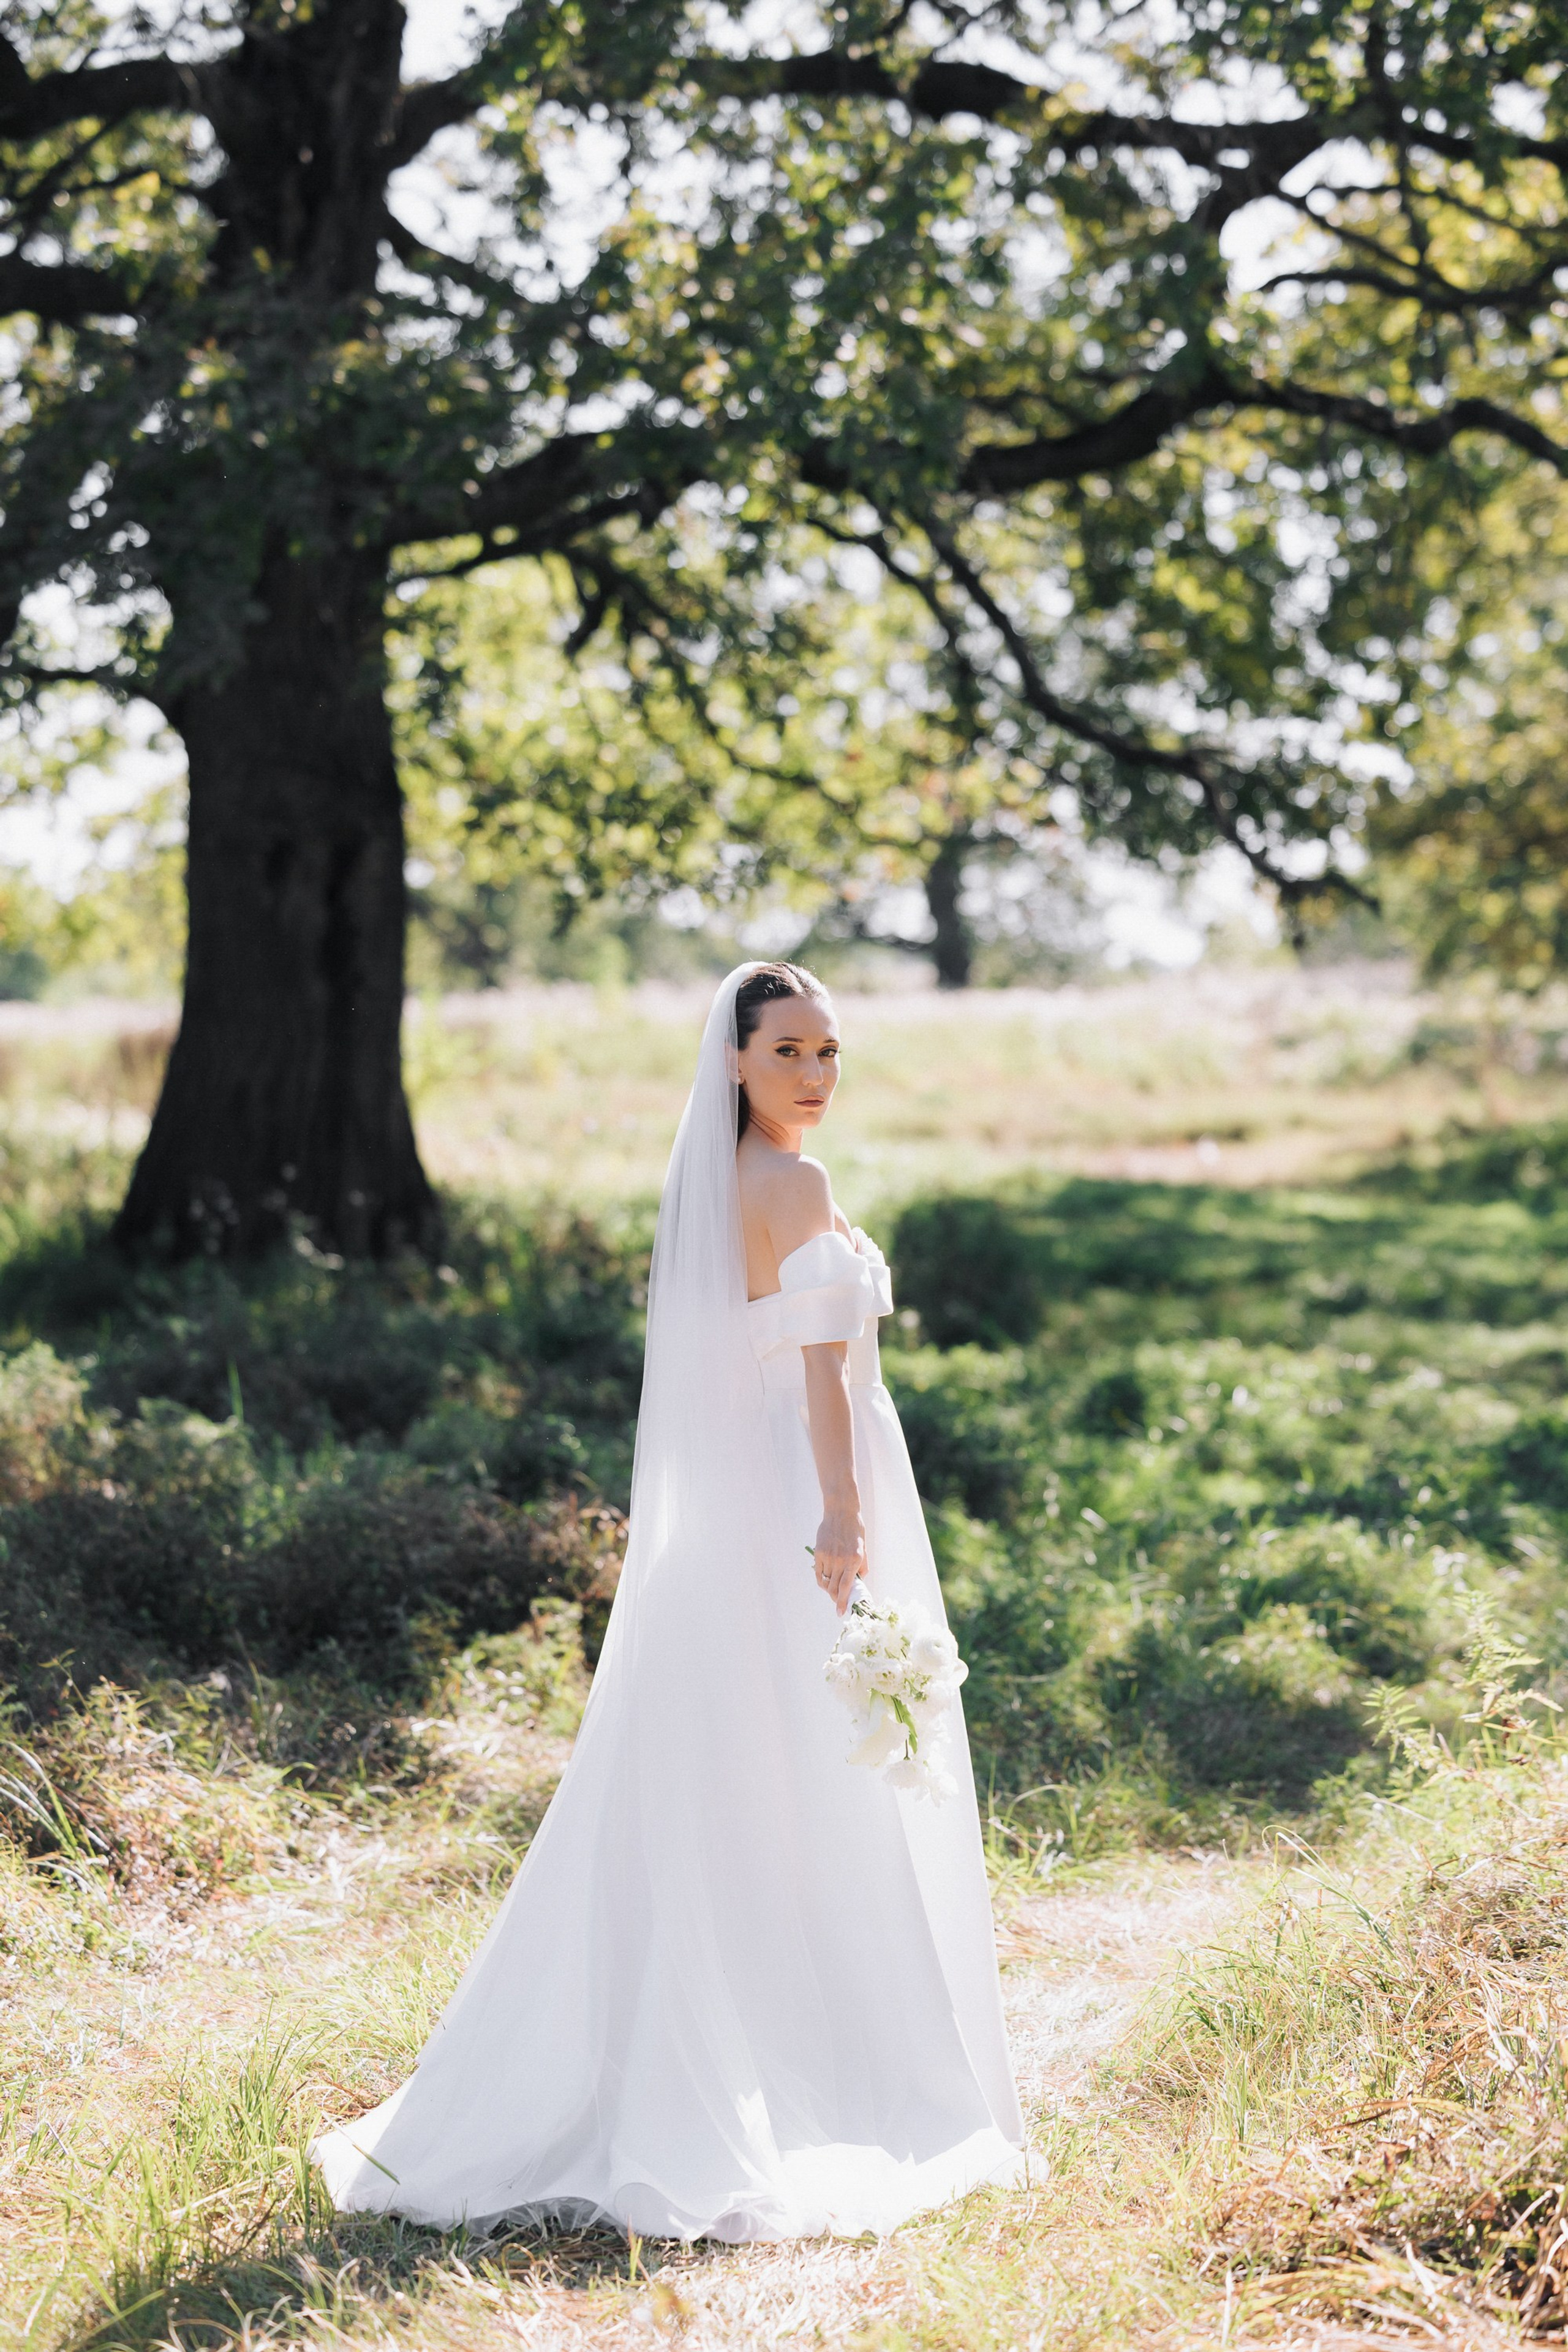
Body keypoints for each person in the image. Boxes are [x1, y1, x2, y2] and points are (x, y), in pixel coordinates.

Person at [311, 962, 1023, 2242]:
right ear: (736, 1062)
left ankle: (737, 2019)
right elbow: (820, 1372)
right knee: (805, 1755)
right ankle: (806, 2040)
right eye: (790, 1049)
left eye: (828, 1049)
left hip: (752, 1492)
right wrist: (844, 1516)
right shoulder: (789, 1180)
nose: (815, 1072)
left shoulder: (724, 1180)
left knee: (747, 1752)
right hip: (808, 1490)